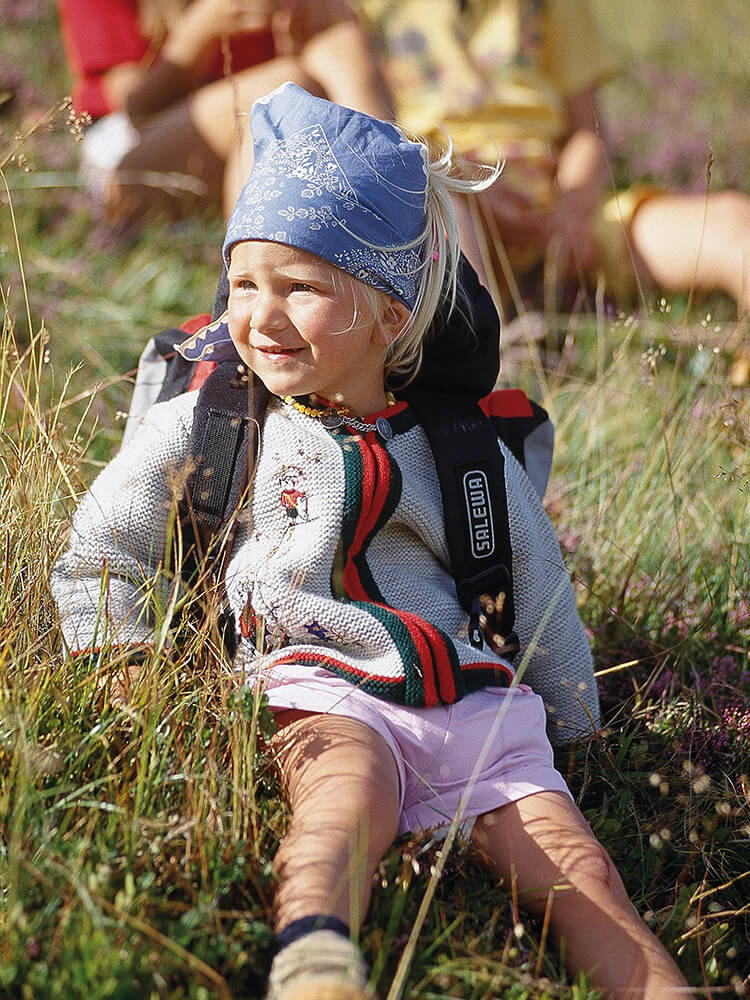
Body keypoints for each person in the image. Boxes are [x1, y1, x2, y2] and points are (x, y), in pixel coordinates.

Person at [51, 83, 694, 1000]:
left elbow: (536, 581)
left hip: (475, 702)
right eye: (242, 283)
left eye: (301, 288)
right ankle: (314, 961)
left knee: (579, 871)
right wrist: (119, 654)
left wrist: (575, 724)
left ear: (393, 315)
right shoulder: (219, 422)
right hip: (318, 682)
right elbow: (106, 543)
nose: (261, 317)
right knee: (339, 805)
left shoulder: (459, 449)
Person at [355, 0, 750, 317]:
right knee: (449, 209)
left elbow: (586, 131)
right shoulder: (360, 13)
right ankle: (490, 366)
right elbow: (366, 132)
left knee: (734, 222)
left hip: (554, 210)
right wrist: (467, 184)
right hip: (438, 211)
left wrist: (570, 212)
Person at [58, 0, 393, 222]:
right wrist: (200, 32)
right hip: (123, 148)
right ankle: (249, 284)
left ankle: (393, 223)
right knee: (279, 92)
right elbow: (134, 108)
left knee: (344, 46)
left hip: (240, 150)